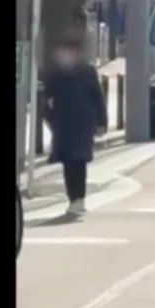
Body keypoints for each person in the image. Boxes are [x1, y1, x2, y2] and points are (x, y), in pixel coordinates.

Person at [44, 33, 106, 217]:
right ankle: (74, 198)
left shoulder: (86, 70)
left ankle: (78, 198)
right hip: (64, 122)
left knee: (79, 160)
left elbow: (97, 96)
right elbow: (46, 97)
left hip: (81, 121)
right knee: (69, 161)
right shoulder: (56, 72)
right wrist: (50, 118)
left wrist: (101, 121)